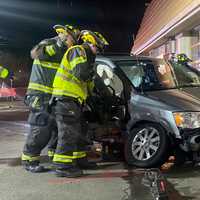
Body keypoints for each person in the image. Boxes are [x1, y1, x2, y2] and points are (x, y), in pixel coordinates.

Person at [21, 24, 80, 173]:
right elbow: (35, 53)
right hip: (39, 95)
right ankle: (29, 159)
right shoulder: (50, 43)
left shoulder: (66, 51)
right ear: (66, 36)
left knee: (55, 128)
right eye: (73, 39)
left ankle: (54, 157)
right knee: (40, 128)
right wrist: (59, 43)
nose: (74, 42)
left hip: (54, 96)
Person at [51, 30, 109, 177]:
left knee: (80, 130)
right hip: (65, 98)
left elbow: (88, 85)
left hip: (74, 100)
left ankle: (79, 159)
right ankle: (62, 166)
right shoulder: (78, 51)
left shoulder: (87, 58)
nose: (97, 52)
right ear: (90, 42)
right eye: (97, 48)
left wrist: (100, 95)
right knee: (68, 133)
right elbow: (81, 73)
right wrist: (93, 73)